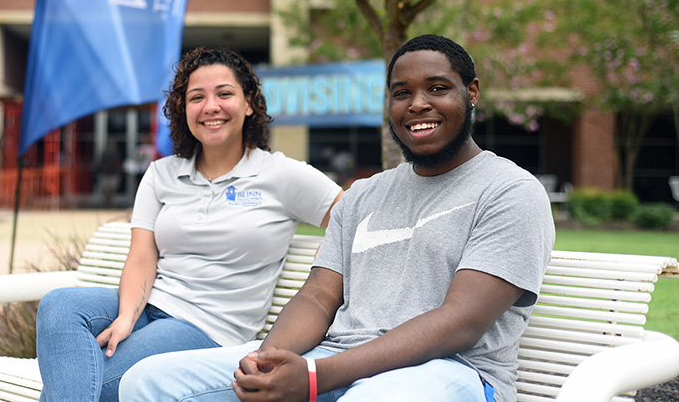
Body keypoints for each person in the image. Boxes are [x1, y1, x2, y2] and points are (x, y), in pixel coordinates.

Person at [118, 34, 555, 402]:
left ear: (471, 92)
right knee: (147, 380)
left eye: (437, 88)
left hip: (452, 372)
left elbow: (461, 322)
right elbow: (317, 298)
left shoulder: (509, 192)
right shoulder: (365, 194)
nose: (418, 104)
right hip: (337, 358)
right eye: (402, 93)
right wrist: (266, 363)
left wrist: (313, 378)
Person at [36, 48, 343, 402]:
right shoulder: (162, 173)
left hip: (207, 327)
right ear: (184, 109)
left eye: (224, 94)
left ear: (249, 104)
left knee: (100, 384)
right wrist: (125, 317)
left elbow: (352, 217)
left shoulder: (280, 174)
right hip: (150, 304)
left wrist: (331, 249)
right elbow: (141, 256)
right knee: (59, 304)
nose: (211, 106)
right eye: (197, 97)